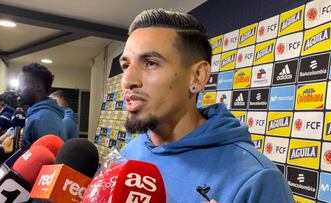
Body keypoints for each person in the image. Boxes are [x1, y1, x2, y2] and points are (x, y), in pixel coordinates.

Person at [119, 9, 294, 203]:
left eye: (151, 63)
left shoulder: (257, 179)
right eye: (125, 66)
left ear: (198, 76)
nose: (127, 80)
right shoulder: (129, 154)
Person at [16, 63, 66, 147]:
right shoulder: (38, 114)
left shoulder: (44, 119)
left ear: (38, 87)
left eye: (22, 85)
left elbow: (47, 159)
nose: (17, 90)